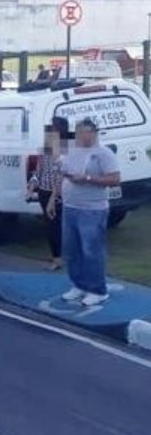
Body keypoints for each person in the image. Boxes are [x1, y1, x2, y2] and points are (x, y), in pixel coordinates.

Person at [51, 117, 121, 306]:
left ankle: (97, 290)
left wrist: (88, 178)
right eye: (78, 132)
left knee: (91, 250)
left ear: (94, 133)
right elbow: (62, 173)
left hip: (92, 209)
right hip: (70, 207)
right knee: (72, 249)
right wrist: (54, 197)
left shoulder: (103, 153)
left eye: (85, 132)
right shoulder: (72, 151)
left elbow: (115, 179)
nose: (81, 135)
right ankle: (79, 284)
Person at [29, 117, 68, 271]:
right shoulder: (46, 148)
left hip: (56, 192)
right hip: (43, 191)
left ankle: (58, 258)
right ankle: (56, 255)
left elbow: (60, 176)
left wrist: (54, 197)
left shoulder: (63, 150)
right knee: (50, 224)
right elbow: (39, 170)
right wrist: (32, 187)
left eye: (53, 128)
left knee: (54, 225)